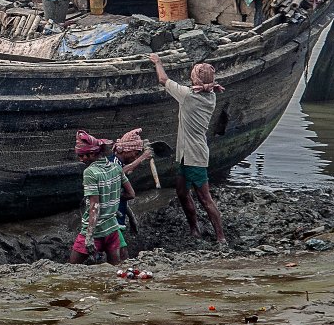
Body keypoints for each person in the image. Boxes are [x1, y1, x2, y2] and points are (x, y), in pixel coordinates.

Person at [148, 54, 226, 245]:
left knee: (205, 198)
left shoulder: (188, 96)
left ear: (196, 80)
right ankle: (194, 230)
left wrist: (158, 62)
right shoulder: (211, 95)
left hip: (194, 156)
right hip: (185, 153)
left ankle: (220, 237)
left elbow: (162, 80)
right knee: (182, 192)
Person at [69, 130, 135, 264]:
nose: (80, 159)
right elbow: (131, 194)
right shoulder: (116, 168)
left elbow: (95, 207)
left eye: (82, 156)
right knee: (115, 271)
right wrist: (111, 201)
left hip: (96, 230)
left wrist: (88, 237)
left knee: (70, 269)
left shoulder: (90, 172)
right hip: (112, 229)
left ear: (92, 154)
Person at [111, 128, 154, 260]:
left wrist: (132, 218)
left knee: (116, 256)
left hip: (118, 218)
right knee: (122, 256)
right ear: (126, 150)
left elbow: (121, 196)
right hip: (110, 220)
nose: (134, 157)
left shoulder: (119, 163)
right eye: (135, 154)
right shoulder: (112, 163)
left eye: (137, 155)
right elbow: (119, 172)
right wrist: (142, 158)